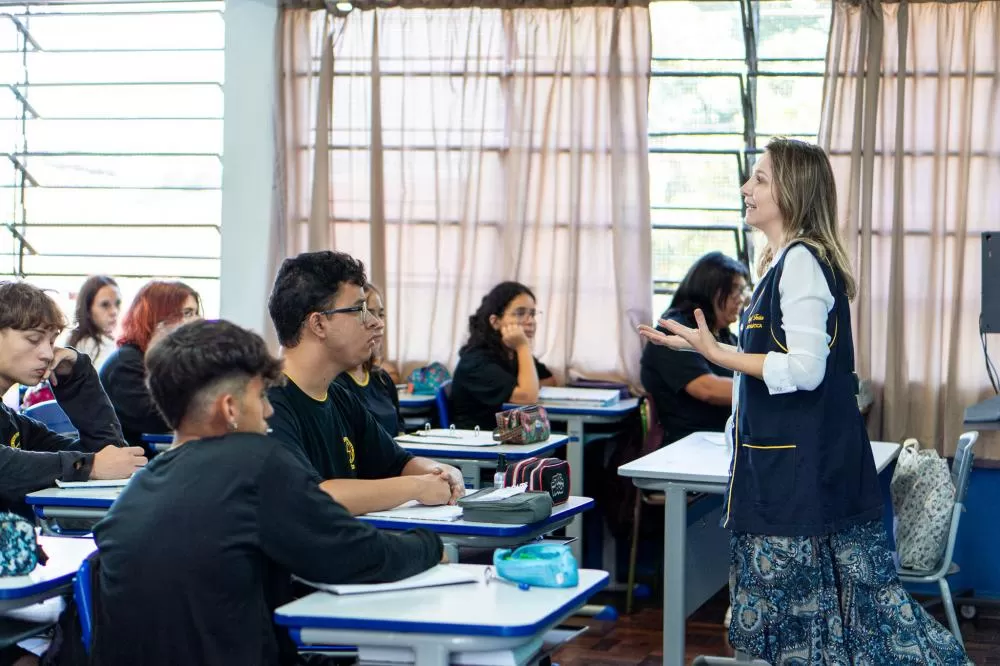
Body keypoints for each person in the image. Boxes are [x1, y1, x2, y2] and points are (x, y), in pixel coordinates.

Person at [639, 138, 970, 664]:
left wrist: (718, 355)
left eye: (760, 179)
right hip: (790, 476)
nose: (747, 188)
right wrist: (701, 345)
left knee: (852, 625)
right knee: (833, 627)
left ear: (792, 192)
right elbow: (778, 357)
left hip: (801, 480)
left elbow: (804, 369)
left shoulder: (799, 263)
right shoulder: (783, 261)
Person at [92, 319, 444, 666]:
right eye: (260, 396)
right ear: (230, 408)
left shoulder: (135, 491)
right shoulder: (255, 463)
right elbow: (353, 555)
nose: (269, 410)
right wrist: (432, 547)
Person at [266, 251, 463, 516]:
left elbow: (398, 463)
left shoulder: (339, 397)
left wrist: (440, 472)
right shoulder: (266, 404)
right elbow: (312, 496)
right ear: (319, 324)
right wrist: (416, 487)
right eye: (359, 310)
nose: (375, 322)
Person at [0, 281, 145, 510]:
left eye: (51, 341)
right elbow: (5, 467)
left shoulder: (11, 423)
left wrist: (78, 376)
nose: (48, 354)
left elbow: (108, 453)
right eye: (34, 339)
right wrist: (91, 467)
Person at [640, 252, 749, 446]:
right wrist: (766, 388)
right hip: (686, 445)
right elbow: (707, 388)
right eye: (735, 290)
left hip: (721, 440)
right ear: (710, 288)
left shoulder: (726, 336)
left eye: (743, 291)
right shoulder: (674, 330)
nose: (741, 299)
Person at [99, 280, 201, 445]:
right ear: (159, 318)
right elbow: (158, 420)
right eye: (188, 313)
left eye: (196, 313)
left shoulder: (163, 360)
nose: (197, 321)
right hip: (130, 463)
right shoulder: (125, 364)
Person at [450, 281, 558, 430]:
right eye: (520, 313)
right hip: (480, 442)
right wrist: (522, 346)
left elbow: (550, 381)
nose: (531, 321)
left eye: (532, 314)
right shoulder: (477, 361)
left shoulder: (512, 352)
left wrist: (529, 384)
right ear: (495, 322)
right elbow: (528, 399)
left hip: (509, 434)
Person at [20, 276, 122, 410]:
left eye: (118, 303)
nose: (114, 311)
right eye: (105, 305)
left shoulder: (91, 341)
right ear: (88, 309)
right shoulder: (90, 345)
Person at [333, 283, 405, 436]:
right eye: (369, 313)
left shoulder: (382, 378)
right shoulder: (335, 385)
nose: (379, 323)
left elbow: (400, 432)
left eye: (381, 314)